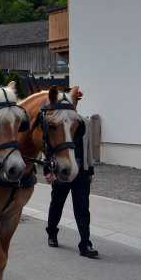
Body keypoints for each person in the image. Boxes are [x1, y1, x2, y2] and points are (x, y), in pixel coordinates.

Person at [45, 91, 98, 259]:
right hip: (61, 170)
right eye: (73, 100)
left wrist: (90, 170)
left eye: (76, 101)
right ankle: (52, 232)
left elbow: (88, 147)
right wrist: (48, 170)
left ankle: (85, 243)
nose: (74, 103)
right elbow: (48, 147)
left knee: (82, 209)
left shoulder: (83, 122)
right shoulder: (58, 121)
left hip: (81, 171)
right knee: (57, 205)